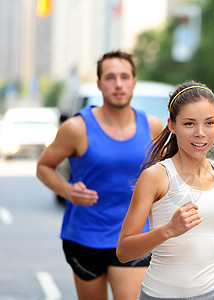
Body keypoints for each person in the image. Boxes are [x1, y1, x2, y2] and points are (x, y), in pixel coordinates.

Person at [36, 50, 163, 300]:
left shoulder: (152, 126)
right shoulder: (77, 127)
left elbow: (165, 175)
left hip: (133, 236)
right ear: (99, 83)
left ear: (134, 82)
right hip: (84, 237)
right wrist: (68, 191)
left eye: (125, 77)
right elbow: (43, 166)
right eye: (110, 77)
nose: (118, 84)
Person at [117, 81, 214, 300]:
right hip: (162, 295)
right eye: (189, 124)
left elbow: (212, 231)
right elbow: (124, 252)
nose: (201, 133)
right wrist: (169, 230)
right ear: (172, 125)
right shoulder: (156, 177)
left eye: (209, 123)